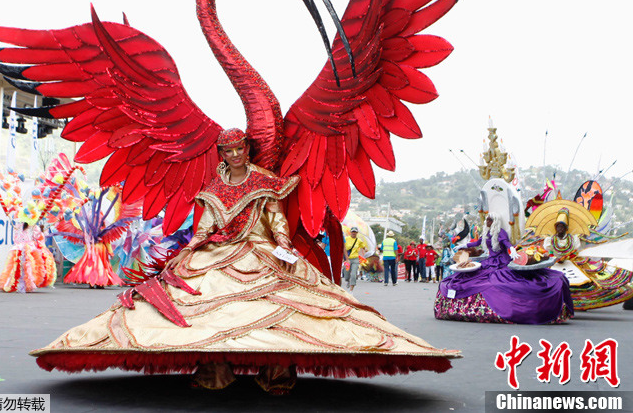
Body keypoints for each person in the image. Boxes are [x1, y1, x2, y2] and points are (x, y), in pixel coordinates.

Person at [32, 128, 459, 392]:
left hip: (260, 251)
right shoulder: (212, 186)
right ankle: (215, 372)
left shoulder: (264, 182)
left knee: (282, 308)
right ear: (221, 152)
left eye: (240, 149)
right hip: (217, 252)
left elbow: (275, 220)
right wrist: (190, 249)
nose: (235, 155)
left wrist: (283, 246)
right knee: (199, 305)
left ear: (246, 149)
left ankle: (276, 374)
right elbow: (204, 226)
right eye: (228, 150)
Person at [434, 213, 573, 324]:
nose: (487, 222)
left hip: (501, 261)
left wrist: (512, 251)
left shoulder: (500, 232)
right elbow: (478, 242)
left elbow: (506, 243)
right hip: (489, 261)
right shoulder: (487, 232)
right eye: (487, 220)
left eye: (490, 220)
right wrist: (463, 246)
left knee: (499, 280)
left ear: (495, 221)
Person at [542, 207, 633, 310]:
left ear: (566, 228)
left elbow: (574, 252)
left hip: (570, 262)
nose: (560, 229)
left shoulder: (572, 239)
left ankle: (578, 303)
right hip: (555, 263)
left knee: (578, 282)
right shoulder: (550, 239)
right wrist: (555, 258)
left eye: (562, 226)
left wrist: (566, 257)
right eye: (558, 226)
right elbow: (550, 251)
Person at [343, 226, 368, 292]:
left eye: (355, 232)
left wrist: (365, 249)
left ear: (357, 233)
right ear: (350, 232)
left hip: (355, 259)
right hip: (347, 259)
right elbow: (343, 248)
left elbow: (363, 246)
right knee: (346, 275)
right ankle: (348, 281)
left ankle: (351, 290)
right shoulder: (346, 239)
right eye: (353, 232)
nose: (354, 233)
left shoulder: (358, 240)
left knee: (354, 274)